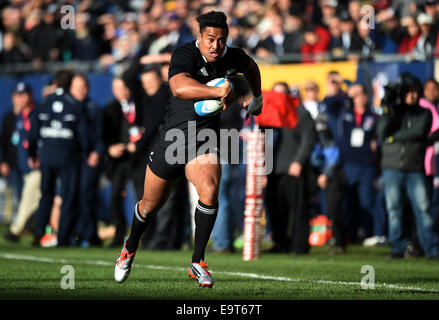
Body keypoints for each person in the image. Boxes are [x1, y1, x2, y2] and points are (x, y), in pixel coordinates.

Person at [114, 11, 263, 287]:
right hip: (173, 139)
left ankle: (197, 261)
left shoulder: (232, 56)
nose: (215, 45)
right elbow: (178, 87)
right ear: (200, 37)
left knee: (209, 188)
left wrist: (258, 97)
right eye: (210, 39)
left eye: (221, 39)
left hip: (204, 138)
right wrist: (218, 91)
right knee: (149, 206)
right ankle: (129, 248)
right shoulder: (185, 54)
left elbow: (251, 67)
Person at [376, 73, 439, 259]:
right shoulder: (393, 111)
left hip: (414, 167)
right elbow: (381, 132)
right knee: (393, 209)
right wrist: (387, 109)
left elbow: (418, 133)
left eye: (415, 92)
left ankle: (431, 248)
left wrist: (393, 138)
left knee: (423, 209)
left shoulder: (424, 112)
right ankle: (397, 247)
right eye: (408, 92)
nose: (412, 96)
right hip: (392, 166)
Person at [28, 70, 89, 247]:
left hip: (47, 157)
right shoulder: (75, 105)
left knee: (46, 196)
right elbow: (83, 135)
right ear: (70, 84)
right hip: (69, 158)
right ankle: (63, 238)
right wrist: (84, 152)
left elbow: (33, 134)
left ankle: (39, 234)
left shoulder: (43, 103)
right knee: (68, 198)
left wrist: (32, 155)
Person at [265, 82, 316, 255]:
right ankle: (280, 243)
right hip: (273, 170)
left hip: (294, 169)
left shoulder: (300, 112)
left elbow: (308, 139)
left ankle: (300, 245)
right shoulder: (268, 115)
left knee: (298, 209)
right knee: (276, 210)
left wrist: (299, 161)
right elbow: (262, 142)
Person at [102, 77, 146, 248]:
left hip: (138, 159)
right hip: (119, 161)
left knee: (142, 197)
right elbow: (104, 135)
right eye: (117, 88)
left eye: (123, 87)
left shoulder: (141, 105)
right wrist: (110, 148)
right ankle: (118, 234)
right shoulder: (109, 109)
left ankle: (145, 236)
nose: (121, 91)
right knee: (115, 196)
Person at [3, 82, 41, 243]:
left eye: (23, 94)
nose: (20, 98)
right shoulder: (16, 116)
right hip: (20, 166)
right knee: (29, 199)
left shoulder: (38, 112)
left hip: (37, 167)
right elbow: (6, 141)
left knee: (28, 198)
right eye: (18, 95)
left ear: (30, 95)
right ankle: (37, 231)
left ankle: (16, 230)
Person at [70, 74, 104, 247]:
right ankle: (72, 234)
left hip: (89, 159)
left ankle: (89, 235)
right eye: (77, 86)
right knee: (70, 197)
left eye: (83, 86)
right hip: (70, 160)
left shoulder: (94, 108)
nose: (80, 90)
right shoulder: (66, 108)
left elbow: (100, 135)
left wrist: (97, 152)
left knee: (86, 196)